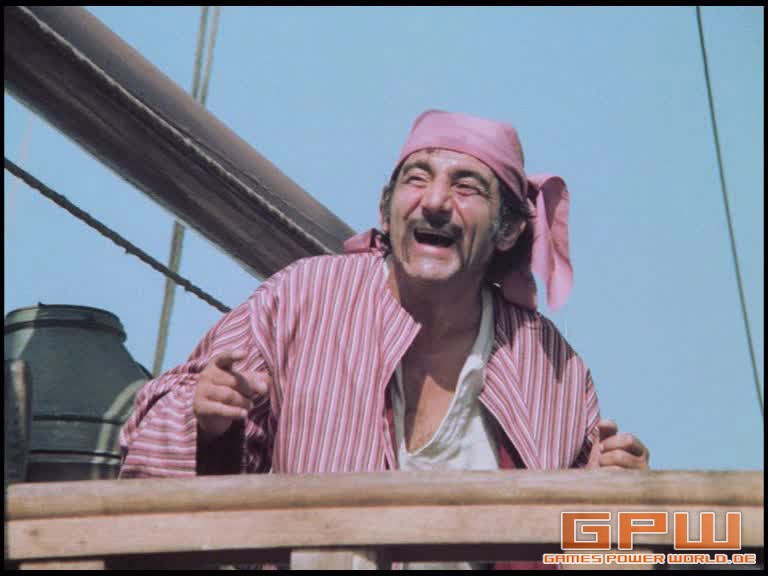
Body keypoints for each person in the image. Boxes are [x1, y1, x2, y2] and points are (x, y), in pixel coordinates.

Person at [119, 110, 649, 568]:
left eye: (467, 187)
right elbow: (153, 443)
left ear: (508, 231)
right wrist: (205, 418)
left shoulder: (550, 366)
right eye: (417, 179)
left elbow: (594, 548)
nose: (435, 201)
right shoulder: (303, 297)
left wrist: (620, 496)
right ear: (385, 207)